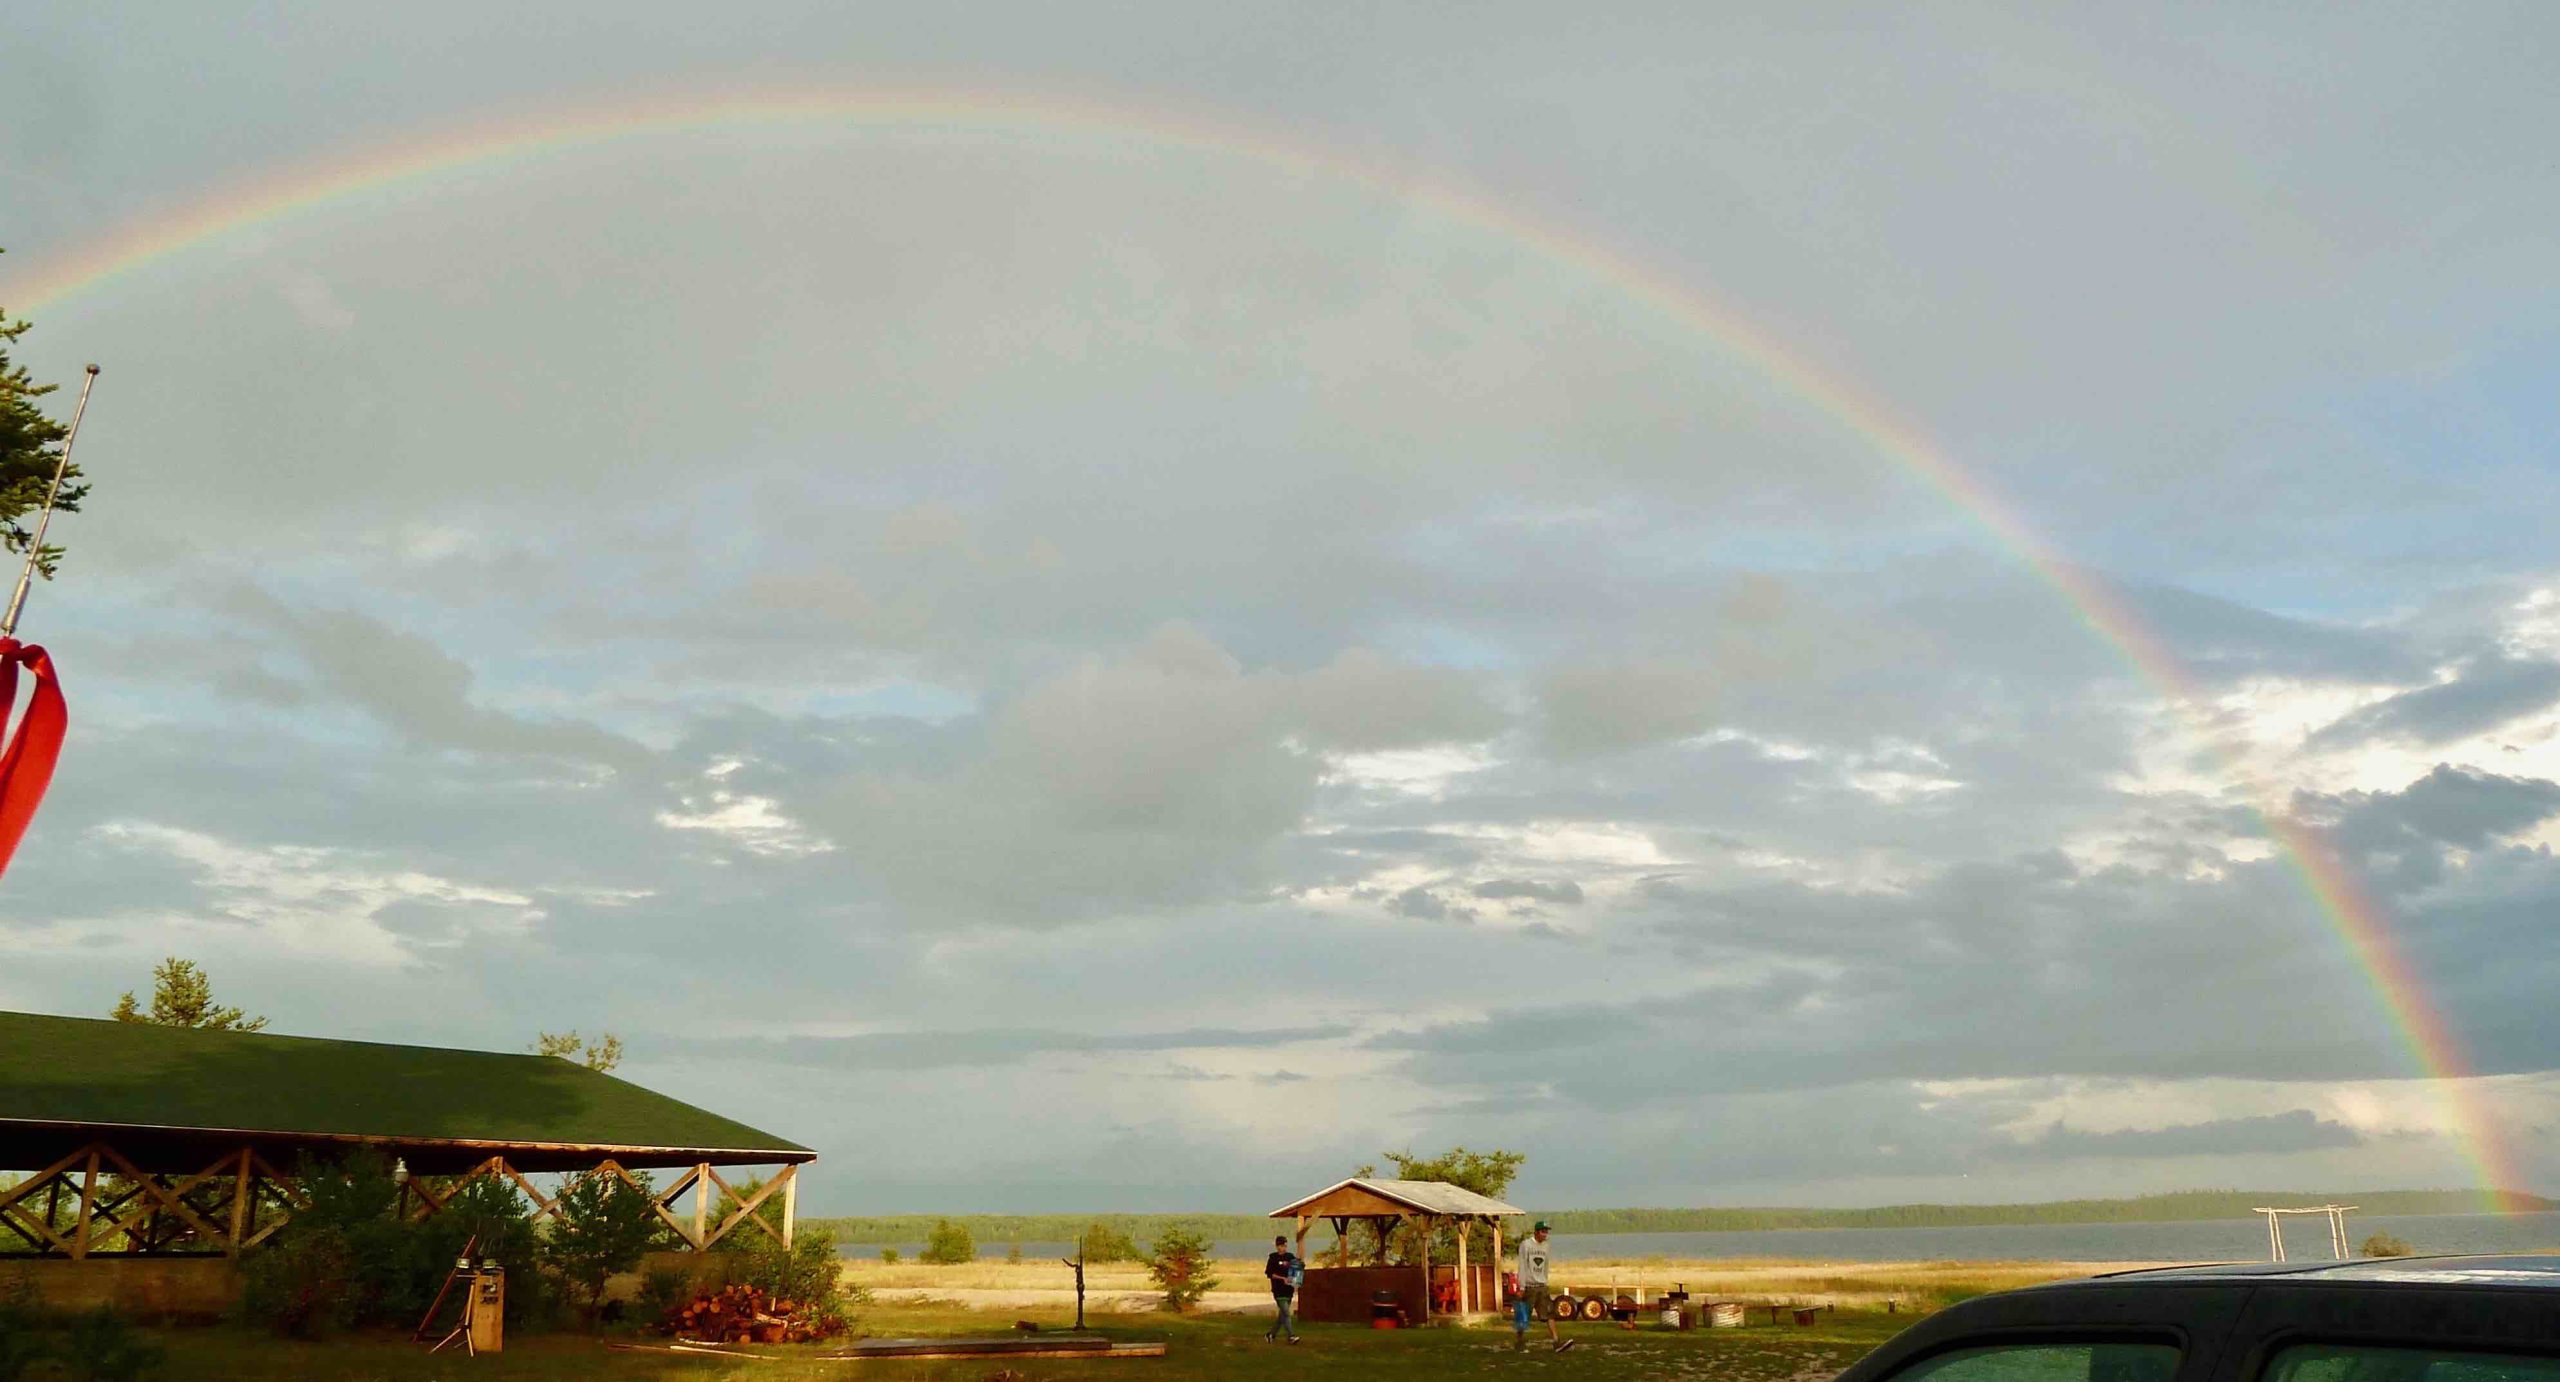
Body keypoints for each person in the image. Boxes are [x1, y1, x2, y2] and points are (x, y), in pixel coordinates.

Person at [1515, 1219, 1573, 1352]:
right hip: (1529, 1285)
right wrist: (1521, 1286)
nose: (1545, 1234)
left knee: (1549, 1314)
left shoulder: (1546, 1246)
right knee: (1524, 1316)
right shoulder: (1526, 1245)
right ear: (1536, 1232)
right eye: (1542, 1231)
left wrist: (1545, 1281)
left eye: (1546, 1232)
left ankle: (1556, 1341)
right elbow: (1522, 1265)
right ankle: (1519, 1342)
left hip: (1542, 1286)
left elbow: (1545, 1265)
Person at [1264, 1234, 1303, 1343]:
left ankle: (1271, 1335)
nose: (1283, 1248)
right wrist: (1282, 1278)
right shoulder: (1273, 1258)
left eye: (1285, 1245)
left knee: (1282, 1316)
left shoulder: (1290, 1257)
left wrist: (1296, 1279)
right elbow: (1269, 1273)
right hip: (1278, 1290)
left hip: (1288, 1290)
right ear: (1277, 1246)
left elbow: (1296, 1269)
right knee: (1286, 1313)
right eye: (1281, 1245)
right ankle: (1291, 1336)